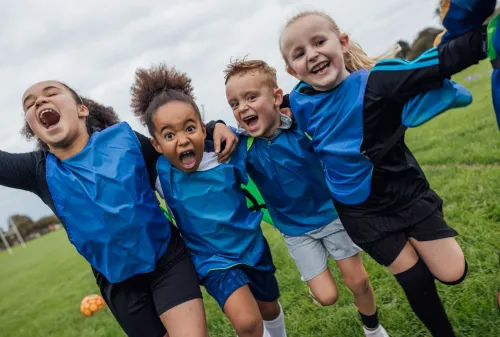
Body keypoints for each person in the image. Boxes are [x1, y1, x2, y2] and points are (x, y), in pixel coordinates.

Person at [280, 9, 495, 337]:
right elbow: (264, 109)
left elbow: (435, 64)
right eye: (299, 53)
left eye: (319, 42)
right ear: (291, 69)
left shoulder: (379, 82)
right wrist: (216, 130)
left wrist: (485, 40)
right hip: (360, 211)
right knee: (414, 279)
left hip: (406, 194)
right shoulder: (297, 101)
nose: (312, 54)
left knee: (453, 272)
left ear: (342, 43)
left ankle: (417, 243)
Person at [2, 80, 238, 337]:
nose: (38, 101)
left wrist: (215, 127)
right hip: (119, 285)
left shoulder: (125, 140)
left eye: (51, 93)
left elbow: (174, 143)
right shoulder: (38, 171)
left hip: (166, 260)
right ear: (34, 128)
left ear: (82, 109)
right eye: (29, 103)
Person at [224, 58, 389, 337]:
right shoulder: (242, 146)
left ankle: (373, 329)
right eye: (235, 104)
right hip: (296, 231)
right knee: (327, 297)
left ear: (277, 97)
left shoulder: (304, 126)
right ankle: (316, 287)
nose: (242, 108)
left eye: (251, 97)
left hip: (333, 215)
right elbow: (206, 137)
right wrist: (218, 124)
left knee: (358, 280)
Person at [130, 64, 288, 337]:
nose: (182, 140)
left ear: (203, 129)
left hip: (252, 247)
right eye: (169, 135)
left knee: (269, 308)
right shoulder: (160, 173)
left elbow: (265, 129)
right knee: (248, 322)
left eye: (189, 128)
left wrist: (221, 126)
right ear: (156, 145)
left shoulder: (227, 150)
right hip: (212, 261)